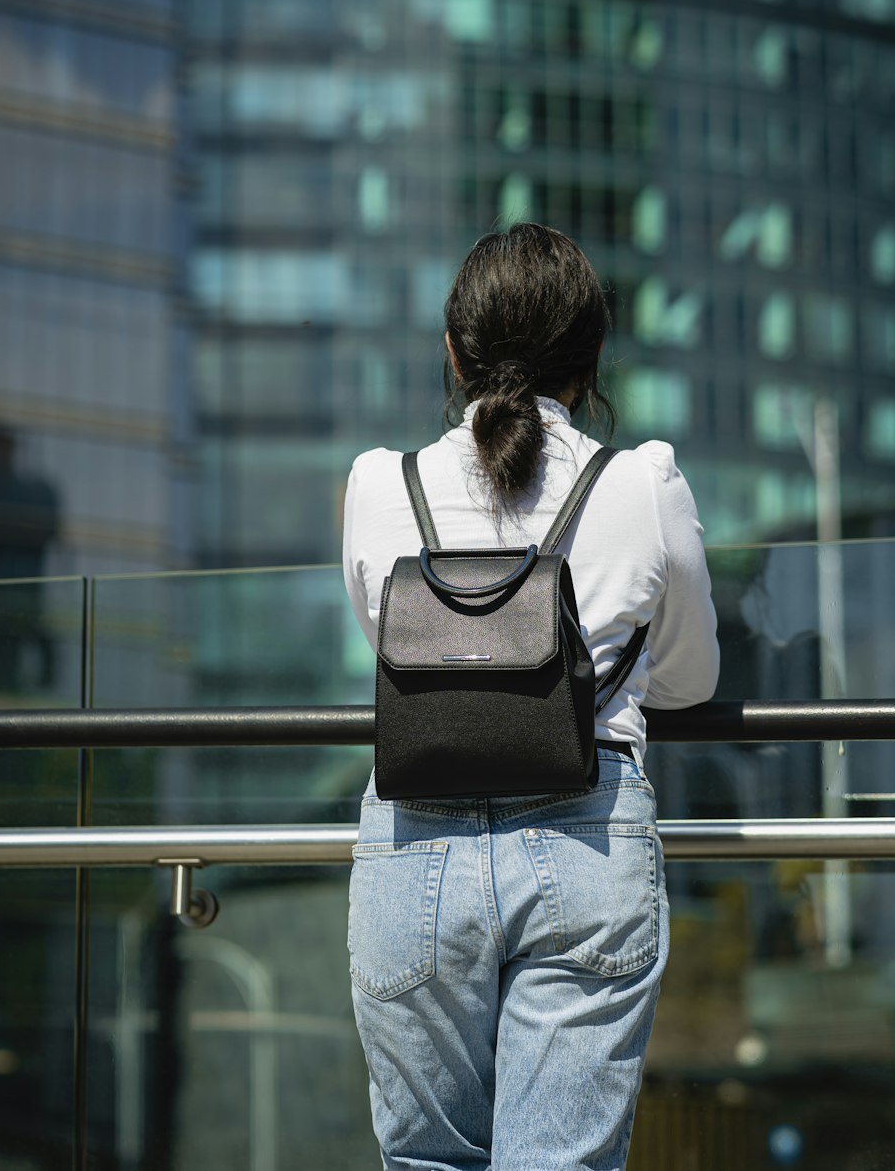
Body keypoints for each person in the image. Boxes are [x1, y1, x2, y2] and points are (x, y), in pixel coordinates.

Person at [342, 223, 719, 1171]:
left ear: (453, 353)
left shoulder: (379, 487)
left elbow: (399, 652)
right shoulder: (641, 485)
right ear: (592, 360)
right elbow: (689, 680)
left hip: (411, 846)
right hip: (587, 835)